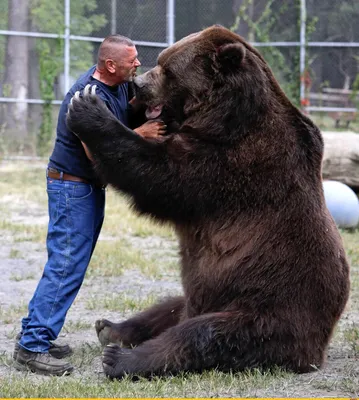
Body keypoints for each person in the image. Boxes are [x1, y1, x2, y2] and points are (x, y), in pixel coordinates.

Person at [13, 34, 166, 376]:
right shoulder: (86, 98)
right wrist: (141, 134)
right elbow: (97, 153)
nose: (138, 64)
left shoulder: (121, 87)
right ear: (111, 65)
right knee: (66, 266)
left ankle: (35, 331)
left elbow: (129, 116)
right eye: (132, 60)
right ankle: (31, 347)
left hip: (86, 188)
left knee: (68, 264)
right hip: (72, 188)